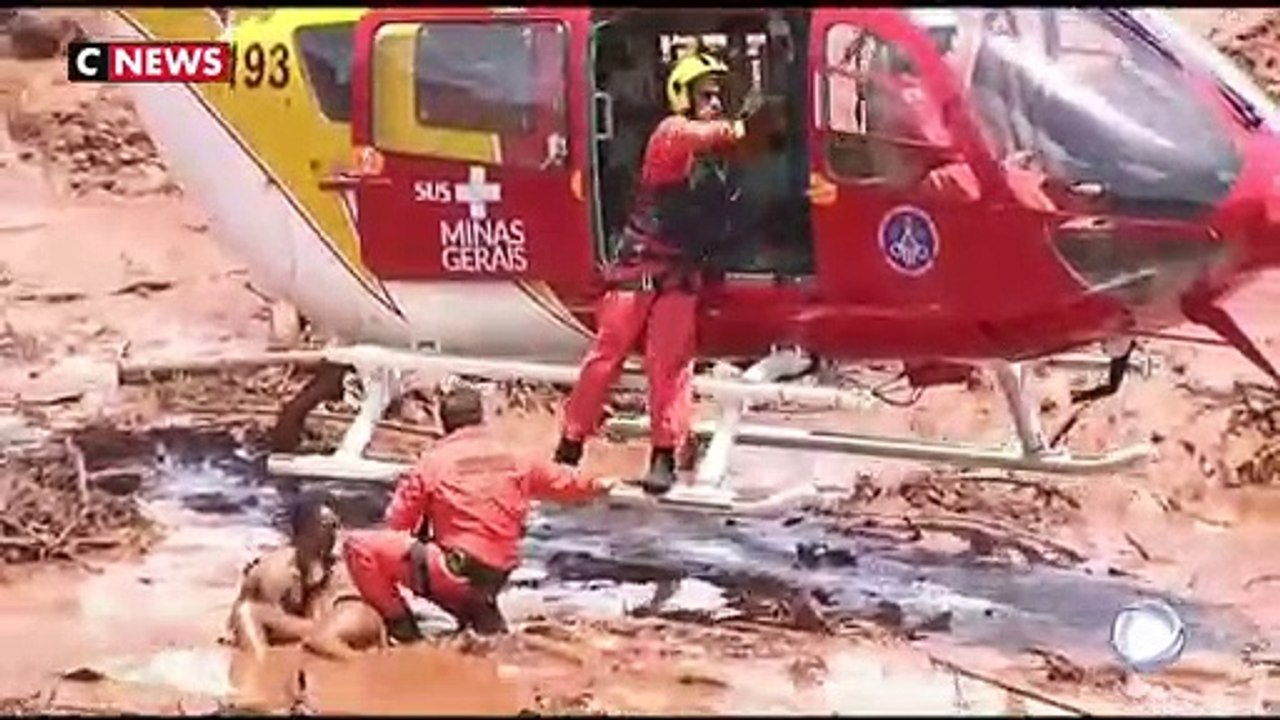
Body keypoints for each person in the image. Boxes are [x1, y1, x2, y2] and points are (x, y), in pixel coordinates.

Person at [552, 52, 768, 495]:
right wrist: (747, 124)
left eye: (718, 96)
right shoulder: (672, 133)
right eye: (705, 95)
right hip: (638, 271)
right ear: (683, 96)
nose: (714, 102)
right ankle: (570, 444)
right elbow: (711, 134)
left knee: (670, 366)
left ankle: (664, 455)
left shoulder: (719, 156)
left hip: (679, 275)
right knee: (607, 355)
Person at [342, 385, 616, 641]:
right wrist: (600, 484)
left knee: (359, 547)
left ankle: (403, 631)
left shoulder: (433, 462)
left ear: (442, 422)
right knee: (480, 617)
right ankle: (478, 614)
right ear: (482, 418)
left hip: (454, 571)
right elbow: (568, 483)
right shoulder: (515, 456)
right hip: (496, 575)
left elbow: (397, 524)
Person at [226, 489, 387, 661]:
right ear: (300, 533)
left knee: (249, 614)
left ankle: (260, 664)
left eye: (334, 526)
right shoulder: (270, 571)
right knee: (247, 613)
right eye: (325, 527)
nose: (331, 534)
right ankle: (259, 664)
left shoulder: (339, 571)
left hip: (327, 628)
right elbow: (238, 617)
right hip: (306, 628)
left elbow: (350, 616)